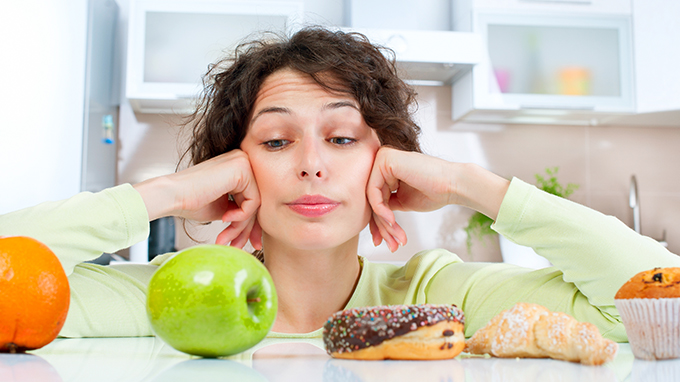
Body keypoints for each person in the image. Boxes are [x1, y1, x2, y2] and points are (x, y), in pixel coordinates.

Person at [1, 27, 677, 341]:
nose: (313, 164)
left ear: (388, 170)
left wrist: (468, 182)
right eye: (274, 141)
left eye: (344, 138)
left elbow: (652, 306)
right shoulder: (168, 302)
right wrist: (166, 194)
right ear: (234, 174)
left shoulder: (440, 295)